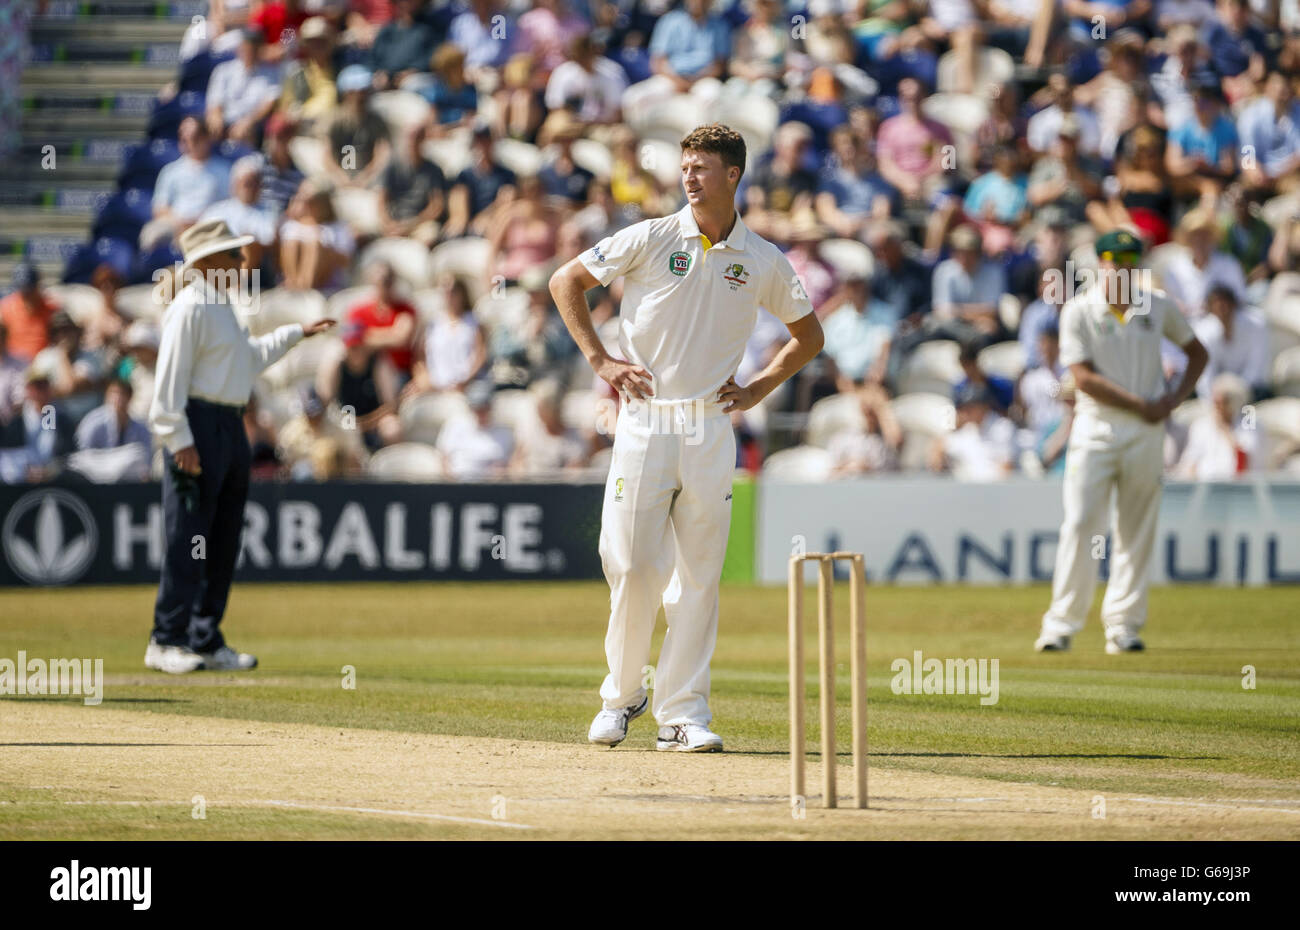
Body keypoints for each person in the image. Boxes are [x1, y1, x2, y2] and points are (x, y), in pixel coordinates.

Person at [549, 123, 823, 752]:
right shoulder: (651, 235)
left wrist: (755, 390)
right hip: (645, 418)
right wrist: (601, 362)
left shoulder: (761, 257)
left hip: (708, 425)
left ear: (733, 175)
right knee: (631, 565)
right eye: (685, 166)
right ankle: (621, 698)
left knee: (699, 576)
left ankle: (682, 715)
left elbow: (809, 337)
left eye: (703, 167)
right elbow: (566, 282)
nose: (690, 177)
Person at [147, 219, 336, 674]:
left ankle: (205, 637)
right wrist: (178, 439)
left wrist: (296, 333)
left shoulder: (220, 306)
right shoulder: (190, 306)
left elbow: (248, 360)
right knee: (188, 534)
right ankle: (165, 638)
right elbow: (168, 380)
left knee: (224, 536)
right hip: (197, 423)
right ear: (207, 261)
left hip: (230, 425)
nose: (241, 261)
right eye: (232, 254)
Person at [1035, 230, 1208, 655]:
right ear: (1100, 263)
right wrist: (1143, 404)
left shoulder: (1158, 306)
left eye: (1131, 259)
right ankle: (1060, 626)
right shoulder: (1078, 310)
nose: (1123, 267)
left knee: (1135, 529)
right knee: (1080, 524)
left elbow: (1197, 354)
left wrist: (1173, 400)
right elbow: (1083, 378)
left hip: (1145, 432)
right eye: (1115, 259)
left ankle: (1123, 627)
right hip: (1096, 429)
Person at [0, 263, 57, 363]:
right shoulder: (6, 307)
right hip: (13, 366)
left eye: (29, 290)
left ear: (37, 286)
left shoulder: (52, 309)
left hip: (41, 366)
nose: (26, 295)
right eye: (23, 290)